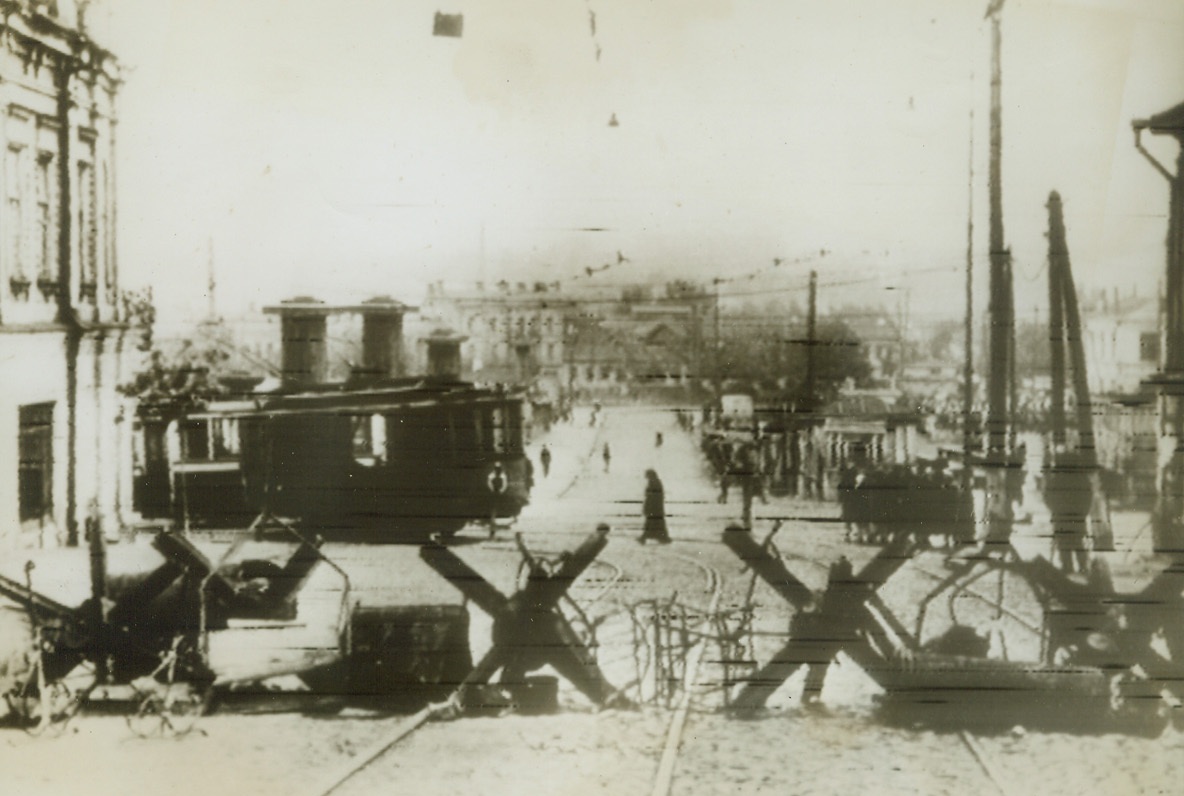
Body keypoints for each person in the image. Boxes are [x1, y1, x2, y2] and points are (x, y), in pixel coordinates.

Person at [639, 469, 671, 544]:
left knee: (651, 522)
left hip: (654, 508)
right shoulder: (656, 482)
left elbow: (652, 496)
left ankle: (645, 537)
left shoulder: (654, 483)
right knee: (656, 523)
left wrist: (647, 506)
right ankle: (661, 537)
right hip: (656, 508)